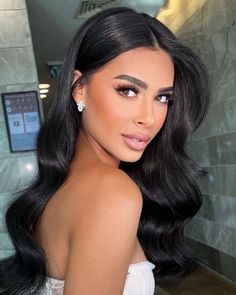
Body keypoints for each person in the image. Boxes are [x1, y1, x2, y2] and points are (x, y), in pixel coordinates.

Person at [0, 6, 209, 295]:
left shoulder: (59, 188)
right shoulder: (111, 191)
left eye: (162, 97)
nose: (149, 117)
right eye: (128, 90)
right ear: (79, 88)